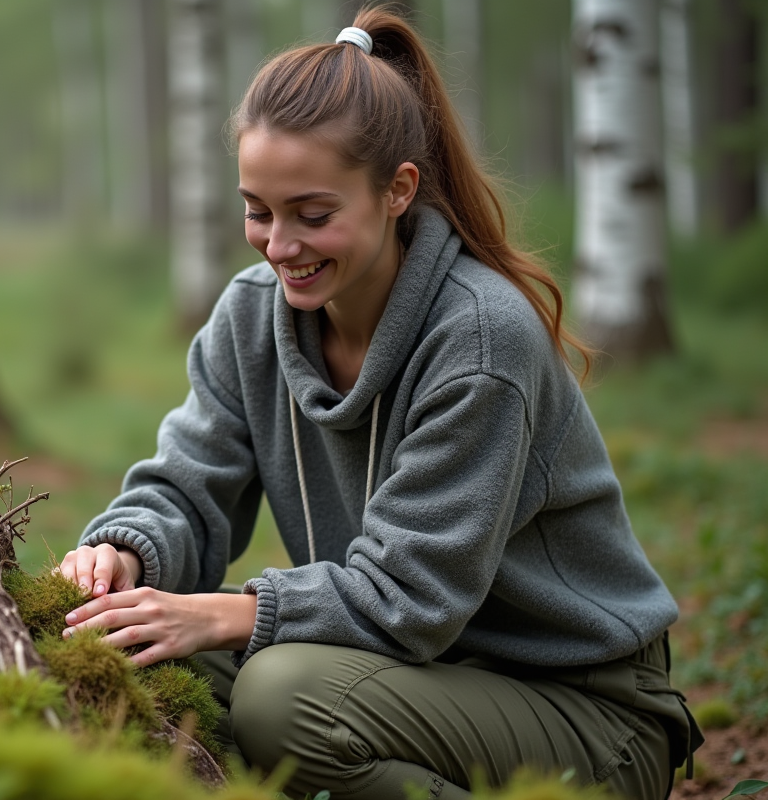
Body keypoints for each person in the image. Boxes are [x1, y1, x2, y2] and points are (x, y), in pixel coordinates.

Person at [57, 6, 701, 799]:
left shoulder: (480, 341)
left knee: (279, 697)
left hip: (583, 713)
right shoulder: (249, 317)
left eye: (313, 215)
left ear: (398, 191)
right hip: (406, 682)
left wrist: (228, 614)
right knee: (143, 660)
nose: (279, 245)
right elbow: (188, 487)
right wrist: (123, 553)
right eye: (258, 210)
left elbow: (411, 597)